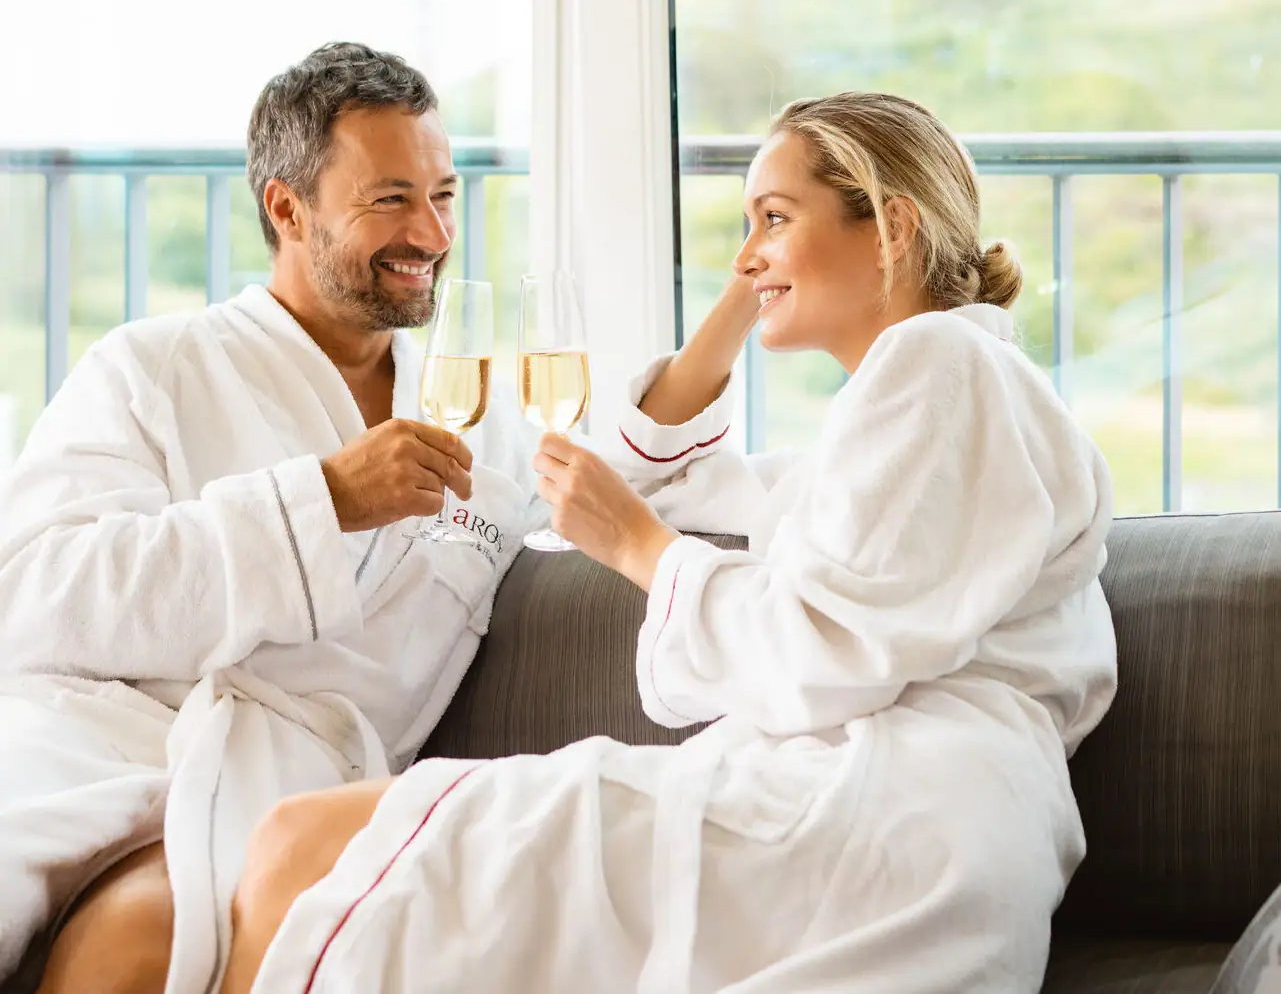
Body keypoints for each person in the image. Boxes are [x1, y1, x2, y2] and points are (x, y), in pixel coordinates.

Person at [216, 92, 1118, 994]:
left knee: (301, 842)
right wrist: (753, 289)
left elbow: (823, 649)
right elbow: (661, 476)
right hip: (887, 811)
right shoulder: (924, 400)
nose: (745, 253)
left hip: (880, 818)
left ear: (892, 227)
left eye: (774, 217)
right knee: (301, 847)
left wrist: (639, 546)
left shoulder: (939, 365)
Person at [0, 43, 538, 994]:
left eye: (444, 196)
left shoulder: (481, 416)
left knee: (152, 931)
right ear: (287, 208)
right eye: (391, 199)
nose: (431, 233)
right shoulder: (151, 367)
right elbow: (35, 596)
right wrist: (319, 503)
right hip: (105, 743)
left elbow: (632, 476)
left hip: (299, 778)